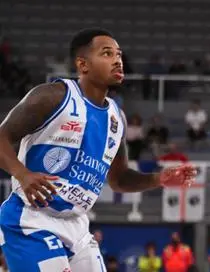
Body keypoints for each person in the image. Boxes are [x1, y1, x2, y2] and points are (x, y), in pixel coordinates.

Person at [0, 29, 196, 272]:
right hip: (32, 220)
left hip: (78, 226)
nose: (117, 60)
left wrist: (159, 179)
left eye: (119, 54)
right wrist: (23, 174)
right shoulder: (52, 96)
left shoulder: (117, 118)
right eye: (107, 53)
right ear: (83, 65)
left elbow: (120, 179)